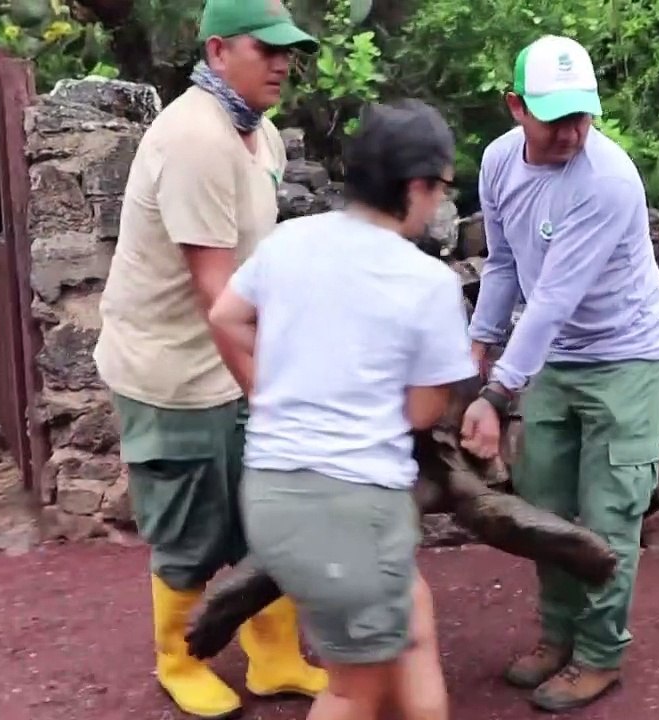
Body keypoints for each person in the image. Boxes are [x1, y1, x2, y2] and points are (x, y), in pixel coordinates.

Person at [91, 0, 327, 716]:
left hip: (228, 362)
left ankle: (274, 656)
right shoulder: (194, 139)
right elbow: (216, 291)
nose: (285, 62)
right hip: (173, 374)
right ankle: (181, 658)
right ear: (219, 51)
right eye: (268, 49)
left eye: (292, 50)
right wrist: (274, 395)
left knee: (269, 519)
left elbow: (258, 265)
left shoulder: (261, 139)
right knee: (189, 529)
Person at [207, 98, 475, 720]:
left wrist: (274, 389)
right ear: (415, 185)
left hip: (274, 496)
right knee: (354, 690)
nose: (438, 203)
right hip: (354, 509)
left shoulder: (289, 241)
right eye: (439, 188)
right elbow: (418, 413)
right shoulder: (427, 283)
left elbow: (226, 316)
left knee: (413, 627)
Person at [459, 34, 659, 713]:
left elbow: (554, 298)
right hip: (555, 361)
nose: (574, 131)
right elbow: (502, 265)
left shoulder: (607, 179)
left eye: (583, 114)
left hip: (627, 358)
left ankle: (599, 655)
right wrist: (479, 349)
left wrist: (497, 392)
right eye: (557, 117)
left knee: (609, 517)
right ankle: (556, 638)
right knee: (545, 507)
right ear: (516, 107)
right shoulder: (499, 161)